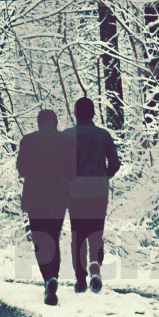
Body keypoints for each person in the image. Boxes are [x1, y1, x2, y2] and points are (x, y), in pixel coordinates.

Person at [16, 109, 75, 306]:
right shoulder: (66, 141)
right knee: (53, 238)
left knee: (41, 240)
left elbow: (21, 169)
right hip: (58, 198)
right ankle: (53, 277)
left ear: (39, 122)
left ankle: (48, 278)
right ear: (55, 123)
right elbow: (72, 170)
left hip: (35, 199)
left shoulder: (28, 140)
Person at [63, 97, 120, 294]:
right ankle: (95, 264)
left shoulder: (67, 135)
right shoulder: (103, 135)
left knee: (78, 235)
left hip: (75, 193)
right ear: (93, 113)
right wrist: (103, 176)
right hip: (98, 192)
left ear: (76, 114)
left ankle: (80, 279)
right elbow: (115, 164)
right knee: (96, 232)